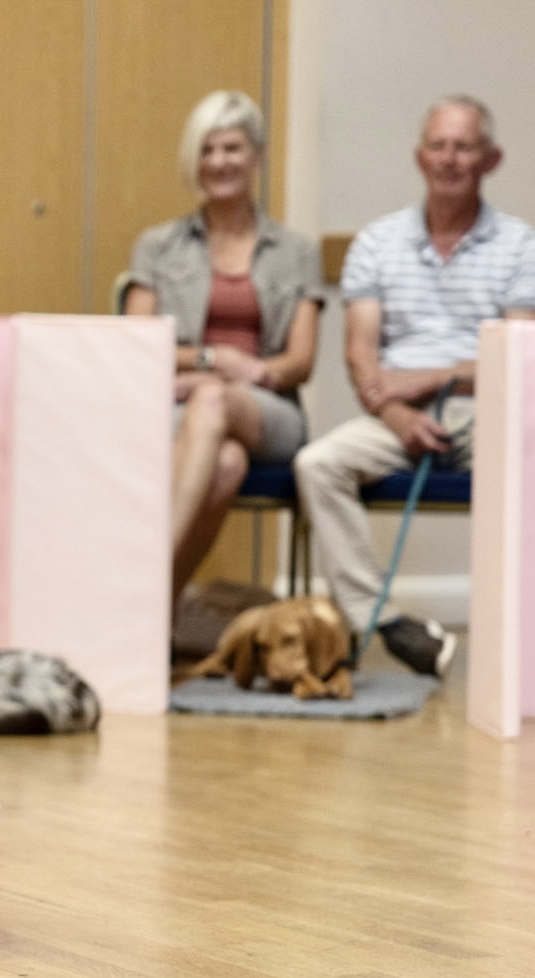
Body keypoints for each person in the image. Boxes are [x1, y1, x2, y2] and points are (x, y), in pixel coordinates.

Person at [293, 96, 535, 676]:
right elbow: (360, 355)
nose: (449, 159)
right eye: (438, 145)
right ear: (419, 157)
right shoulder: (376, 242)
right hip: (394, 417)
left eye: (464, 147)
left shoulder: (522, 245)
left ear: (491, 159)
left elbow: (520, 356)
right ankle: (382, 622)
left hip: (490, 414)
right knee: (317, 464)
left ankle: (519, 649)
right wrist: (401, 416)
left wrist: (432, 376)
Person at [124, 90, 325, 602]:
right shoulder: (159, 245)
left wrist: (231, 376)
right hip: (176, 402)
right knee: (227, 465)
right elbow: (136, 341)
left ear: (255, 155)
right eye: (207, 150)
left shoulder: (297, 250)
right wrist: (211, 360)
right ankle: (160, 615)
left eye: (232, 149)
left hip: (269, 409)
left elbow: (299, 362)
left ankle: (137, 587)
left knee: (213, 402)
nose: (219, 162)